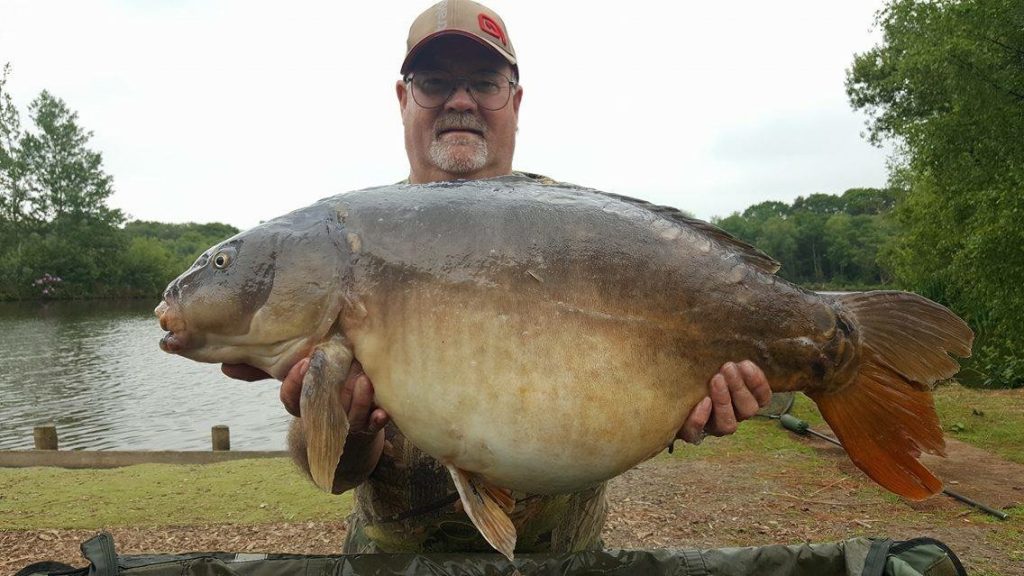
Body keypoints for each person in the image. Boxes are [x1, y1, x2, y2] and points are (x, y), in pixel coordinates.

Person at [223, 0, 771, 554]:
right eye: (434, 82)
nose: (460, 101)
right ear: (402, 99)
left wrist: (686, 405)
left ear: (515, 100)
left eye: (484, 82)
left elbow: (641, 401)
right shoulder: (347, 245)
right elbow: (334, 476)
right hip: (396, 562)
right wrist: (350, 425)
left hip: (564, 558)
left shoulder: (590, 230)